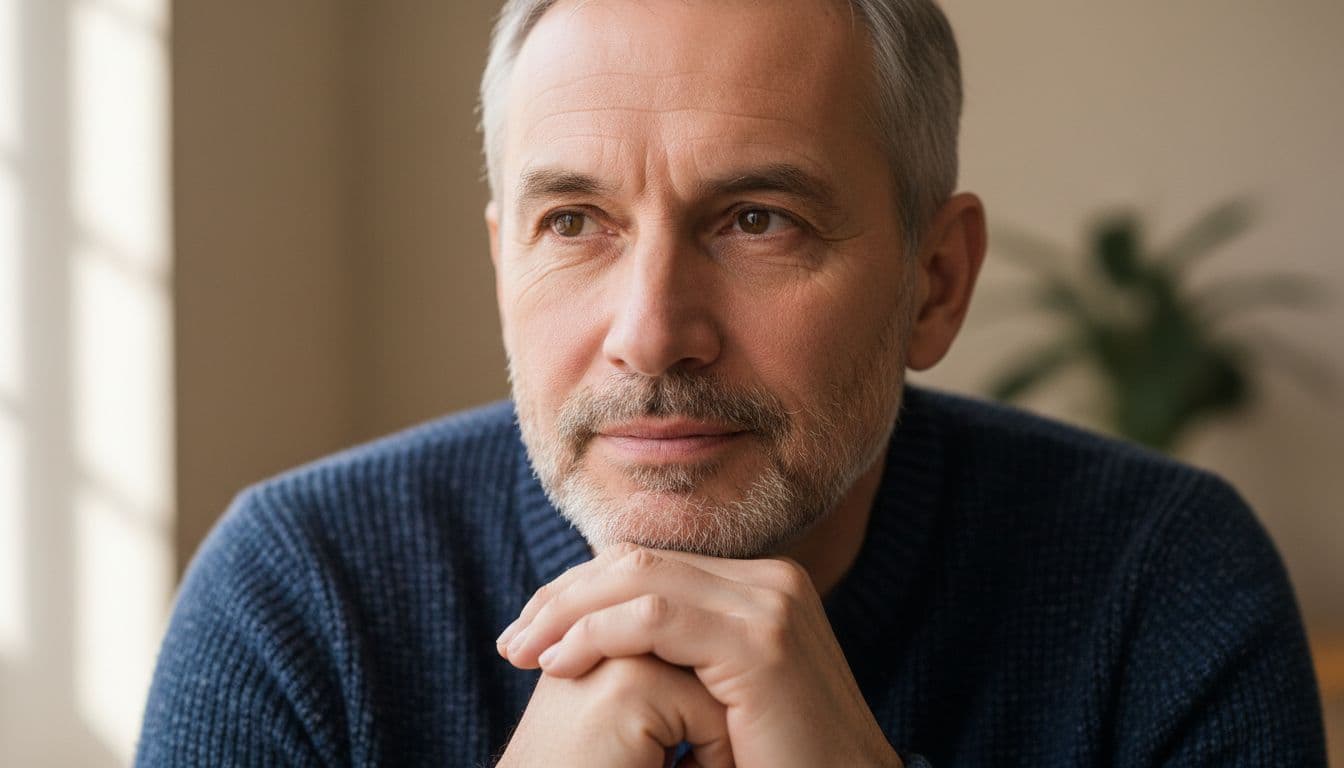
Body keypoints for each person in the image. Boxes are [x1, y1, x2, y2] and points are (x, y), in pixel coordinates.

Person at [135, 0, 1327, 765]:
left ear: (935, 283)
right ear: (505, 266)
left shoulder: (1161, 587)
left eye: (758, 220)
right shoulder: (302, 598)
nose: (652, 337)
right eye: (575, 223)